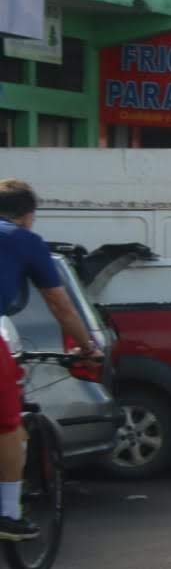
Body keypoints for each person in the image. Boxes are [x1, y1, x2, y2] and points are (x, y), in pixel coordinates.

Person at [1, 180, 102, 541]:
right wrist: (87, 347)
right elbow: (60, 305)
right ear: (28, 216)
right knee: (8, 424)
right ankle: (8, 513)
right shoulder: (22, 240)